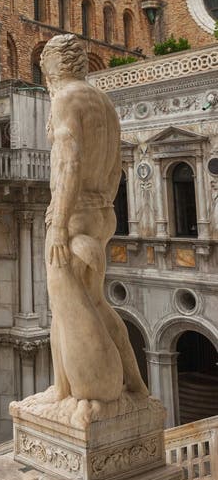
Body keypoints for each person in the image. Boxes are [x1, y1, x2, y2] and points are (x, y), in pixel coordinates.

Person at [40, 34, 148, 406]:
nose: (43, 75)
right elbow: (117, 166)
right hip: (103, 212)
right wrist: (102, 202)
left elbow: (69, 161)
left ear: (54, 64)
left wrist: (59, 223)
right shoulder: (103, 102)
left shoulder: (66, 98)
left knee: (67, 303)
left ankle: (85, 392)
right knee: (97, 302)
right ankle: (134, 384)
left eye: (44, 65)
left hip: (74, 214)